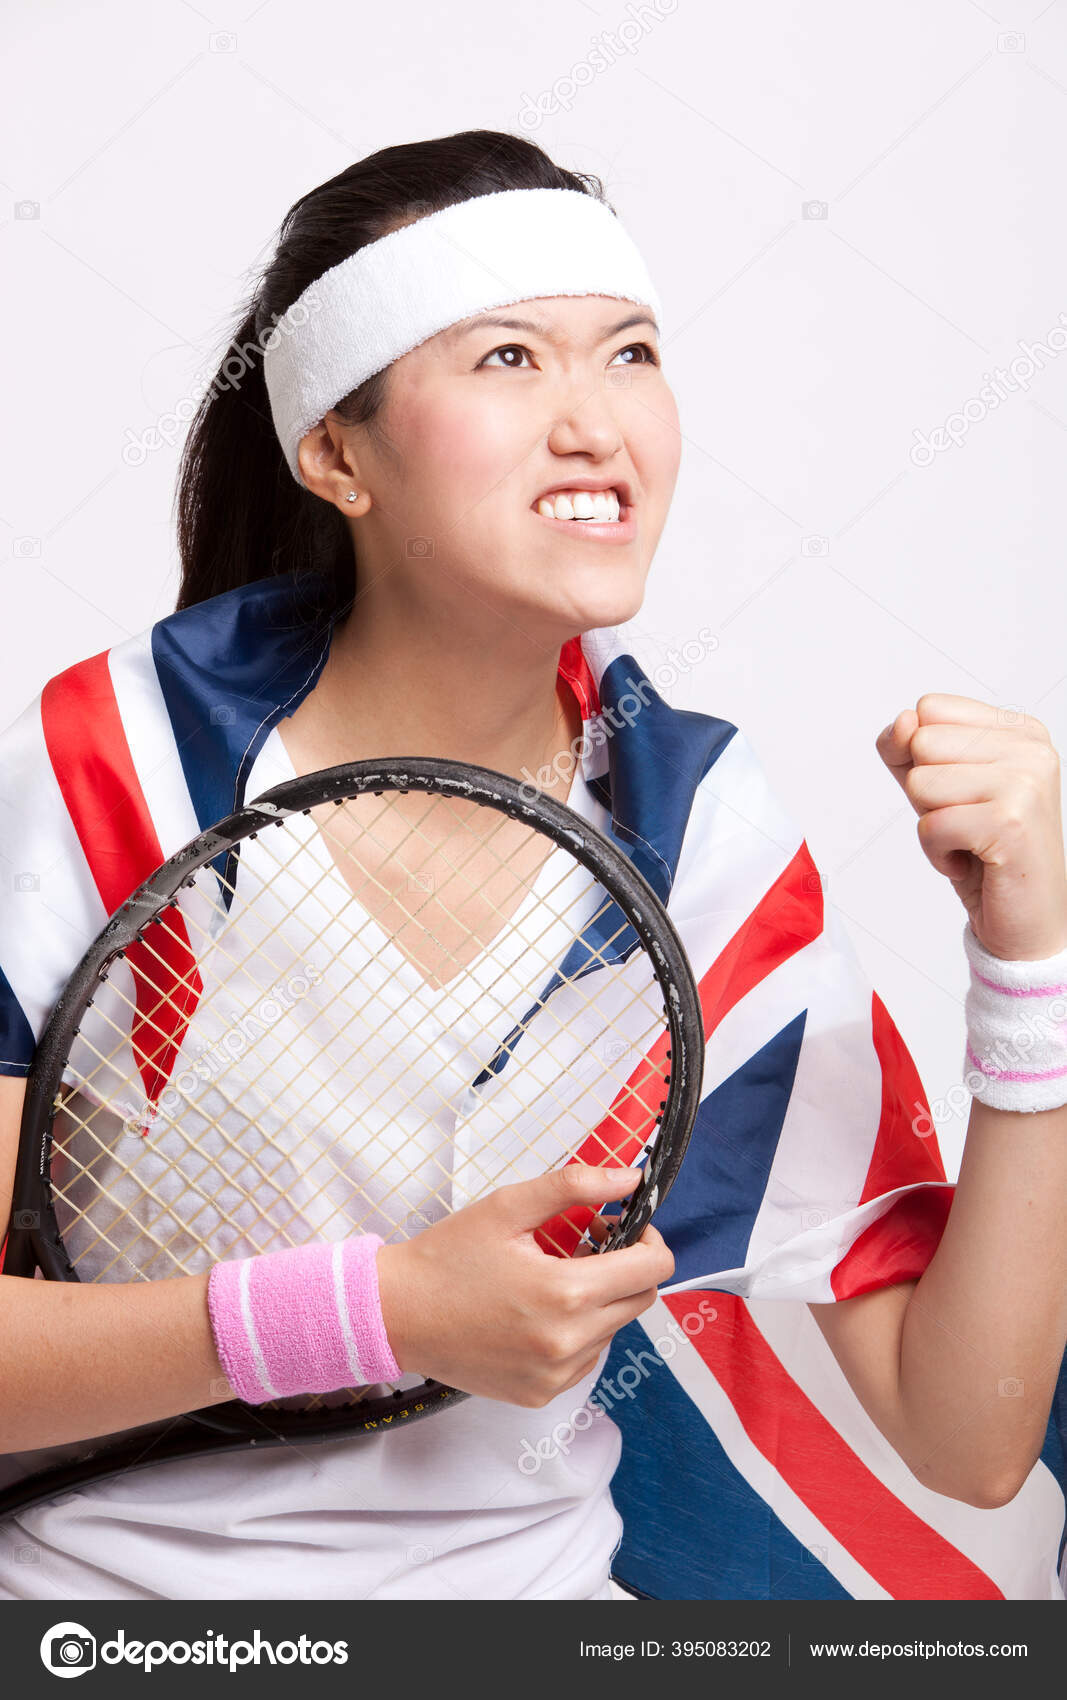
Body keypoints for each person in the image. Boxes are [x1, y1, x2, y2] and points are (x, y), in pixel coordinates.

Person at [0, 129, 1065, 1602]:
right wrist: (382, 1313)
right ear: (334, 454)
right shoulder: (117, 763)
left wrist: (1032, 971)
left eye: (629, 354)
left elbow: (970, 1437)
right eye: (508, 360)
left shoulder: (703, 844)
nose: (596, 426)